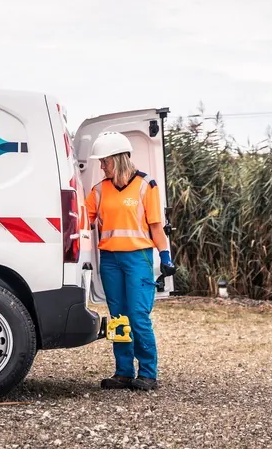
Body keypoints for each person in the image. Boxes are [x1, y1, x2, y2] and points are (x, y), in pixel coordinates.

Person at [84, 131, 176, 391]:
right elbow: (82, 218)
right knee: (118, 317)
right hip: (110, 259)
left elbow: (156, 226)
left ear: (118, 159)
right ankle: (123, 372)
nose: (101, 166)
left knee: (137, 315)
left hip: (139, 258)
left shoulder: (146, 185)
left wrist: (165, 256)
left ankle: (148, 373)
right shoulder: (100, 189)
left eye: (105, 161)